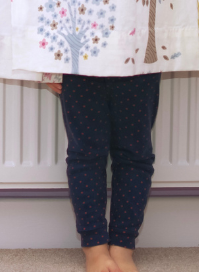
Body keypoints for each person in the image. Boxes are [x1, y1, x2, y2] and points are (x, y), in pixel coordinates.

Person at [47, 72, 162, 272]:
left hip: (139, 61)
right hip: (79, 64)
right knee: (86, 155)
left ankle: (122, 246)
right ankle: (95, 247)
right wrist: (50, 69)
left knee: (134, 154)